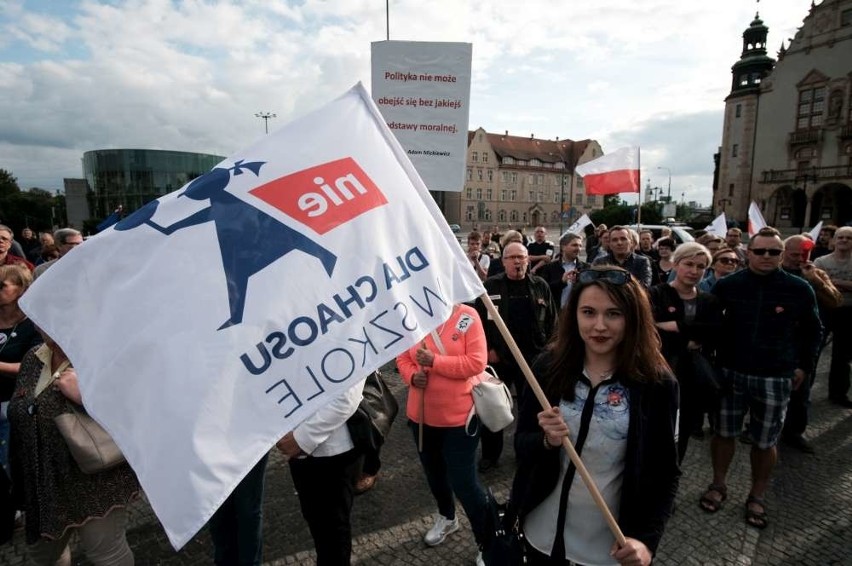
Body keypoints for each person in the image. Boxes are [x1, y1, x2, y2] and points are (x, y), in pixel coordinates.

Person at [511, 266, 680, 565]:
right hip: (541, 532)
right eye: (588, 312)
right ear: (573, 314)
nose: (599, 325)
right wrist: (547, 441)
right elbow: (522, 444)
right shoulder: (547, 367)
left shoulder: (657, 384)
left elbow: (664, 472)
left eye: (613, 314)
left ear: (633, 318)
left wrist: (647, 541)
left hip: (609, 545)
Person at [700, 227, 822, 529]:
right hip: (730, 372)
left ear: (782, 255)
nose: (767, 256)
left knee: (765, 441)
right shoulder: (728, 285)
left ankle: (756, 495)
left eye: (774, 252)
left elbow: (813, 332)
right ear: (748, 253)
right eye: (760, 251)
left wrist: (804, 367)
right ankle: (718, 484)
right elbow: (710, 324)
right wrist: (710, 362)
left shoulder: (798, 288)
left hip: (775, 376)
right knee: (723, 433)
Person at [8, 330, 139, 564]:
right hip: (43, 486)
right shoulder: (33, 357)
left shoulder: (100, 356)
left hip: (96, 485)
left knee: (107, 556)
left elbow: (136, 411)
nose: (45, 324)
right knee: (43, 554)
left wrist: (86, 397)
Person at [396, 304, 489, 565]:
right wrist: (412, 376)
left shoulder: (467, 316)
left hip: (460, 419)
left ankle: (487, 538)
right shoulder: (411, 315)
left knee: (464, 482)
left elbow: (477, 362)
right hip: (422, 418)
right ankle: (447, 517)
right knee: (434, 474)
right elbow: (402, 358)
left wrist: (435, 362)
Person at [475, 242, 557, 471]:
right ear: (503, 262)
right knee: (494, 407)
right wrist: (488, 349)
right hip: (499, 358)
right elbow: (478, 323)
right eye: (512, 257)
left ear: (528, 260)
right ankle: (490, 454)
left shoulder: (540, 286)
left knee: (531, 409)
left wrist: (549, 352)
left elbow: (552, 321)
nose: (517, 261)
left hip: (533, 359)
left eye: (521, 257)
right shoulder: (490, 286)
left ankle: (526, 451)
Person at [276, 380, 365, 565]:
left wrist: (302, 438)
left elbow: (347, 398)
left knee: (333, 531)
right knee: (317, 523)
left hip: (334, 452)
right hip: (300, 450)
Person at [649, 243, 722, 461]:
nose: (694, 271)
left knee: (682, 434)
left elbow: (715, 332)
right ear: (675, 263)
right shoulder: (656, 294)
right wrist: (688, 338)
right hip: (659, 372)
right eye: (688, 264)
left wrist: (676, 326)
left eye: (701, 266)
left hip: (693, 380)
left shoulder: (710, 301)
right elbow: (650, 331)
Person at [780, 235, 842, 452]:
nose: (799, 259)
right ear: (784, 251)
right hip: (778, 339)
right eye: (794, 254)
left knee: (802, 387)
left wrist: (815, 280)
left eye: (803, 254)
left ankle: (794, 432)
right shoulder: (774, 273)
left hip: (806, 340)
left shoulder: (816, 273)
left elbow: (835, 301)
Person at [207, 453, 269, 565]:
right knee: (218, 510)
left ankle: (249, 563)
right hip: (210, 444)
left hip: (249, 441)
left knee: (248, 509)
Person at [814, 226, 852, 408]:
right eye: (841, 237)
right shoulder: (821, 261)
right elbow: (816, 283)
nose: (844, 241)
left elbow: (824, 282)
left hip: (848, 312)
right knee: (814, 352)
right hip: (824, 310)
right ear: (834, 240)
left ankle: (838, 393)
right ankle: (803, 391)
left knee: (842, 356)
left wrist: (832, 282)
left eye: (849, 238)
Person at [540, 232, 589, 308]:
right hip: (556, 312)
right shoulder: (549, 267)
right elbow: (543, 290)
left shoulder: (586, 268)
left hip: (577, 312)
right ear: (563, 247)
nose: (578, 249)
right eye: (574, 245)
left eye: (580, 246)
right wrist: (561, 282)